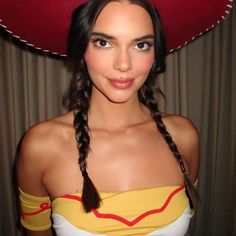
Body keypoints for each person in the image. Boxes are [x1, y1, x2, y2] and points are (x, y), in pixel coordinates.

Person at [17, 0, 200, 235]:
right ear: (82, 47)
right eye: (103, 42)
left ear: (156, 54)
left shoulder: (183, 136)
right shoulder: (41, 146)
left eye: (141, 45)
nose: (123, 64)